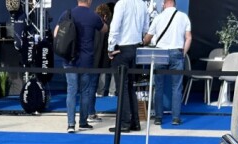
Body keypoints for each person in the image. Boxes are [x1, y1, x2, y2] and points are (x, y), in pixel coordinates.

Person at [58, 0, 106, 132]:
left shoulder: (67, 14)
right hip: (86, 60)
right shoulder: (93, 16)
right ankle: (83, 122)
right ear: (89, 1)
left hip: (69, 59)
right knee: (85, 91)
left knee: (71, 91)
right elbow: (104, 29)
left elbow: (56, 33)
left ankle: (70, 124)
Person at [142, 0, 190, 126]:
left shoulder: (158, 17)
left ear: (164, 4)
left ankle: (158, 117)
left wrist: (143, 41)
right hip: (177, 52)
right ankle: (176, 118)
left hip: (160, 53)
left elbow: (148, 38)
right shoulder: (183, 17)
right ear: (175, 4)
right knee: (177, 87)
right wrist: (183, 53)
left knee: (158, 87)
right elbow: (188, 37)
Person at [107, 0, 149, 132]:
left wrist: (110, 48)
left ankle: (125, 123)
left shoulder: (122, 4)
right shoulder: (142, 4)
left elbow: (115, 27)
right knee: (130, 86)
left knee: (122, 87)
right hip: (136, 48)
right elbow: (146, 28)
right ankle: (135, 122)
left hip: (122, 49)